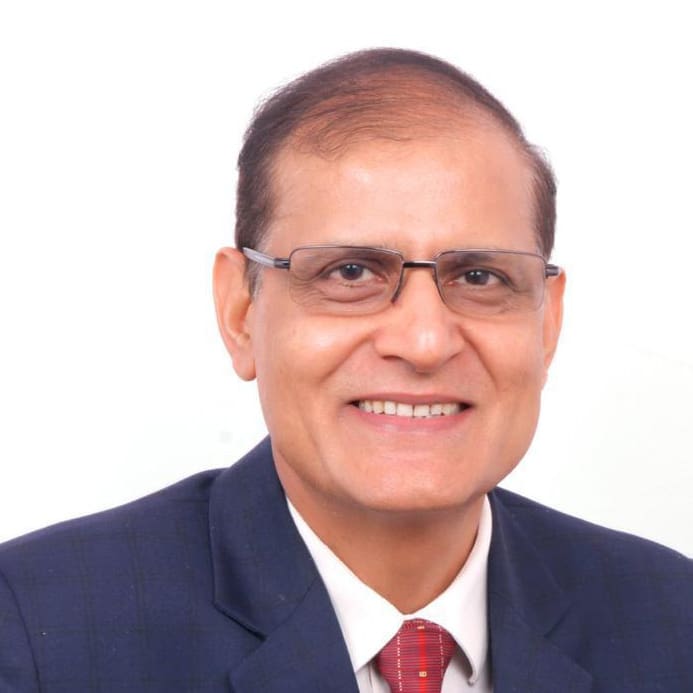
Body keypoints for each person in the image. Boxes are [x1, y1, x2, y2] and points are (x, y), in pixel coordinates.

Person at [0, 48, 690, 693]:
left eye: (479, 276)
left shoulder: (672, 621)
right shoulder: (36, 634)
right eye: (351, 272)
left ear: (546, 323)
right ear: (241, 312)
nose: (424, 341)